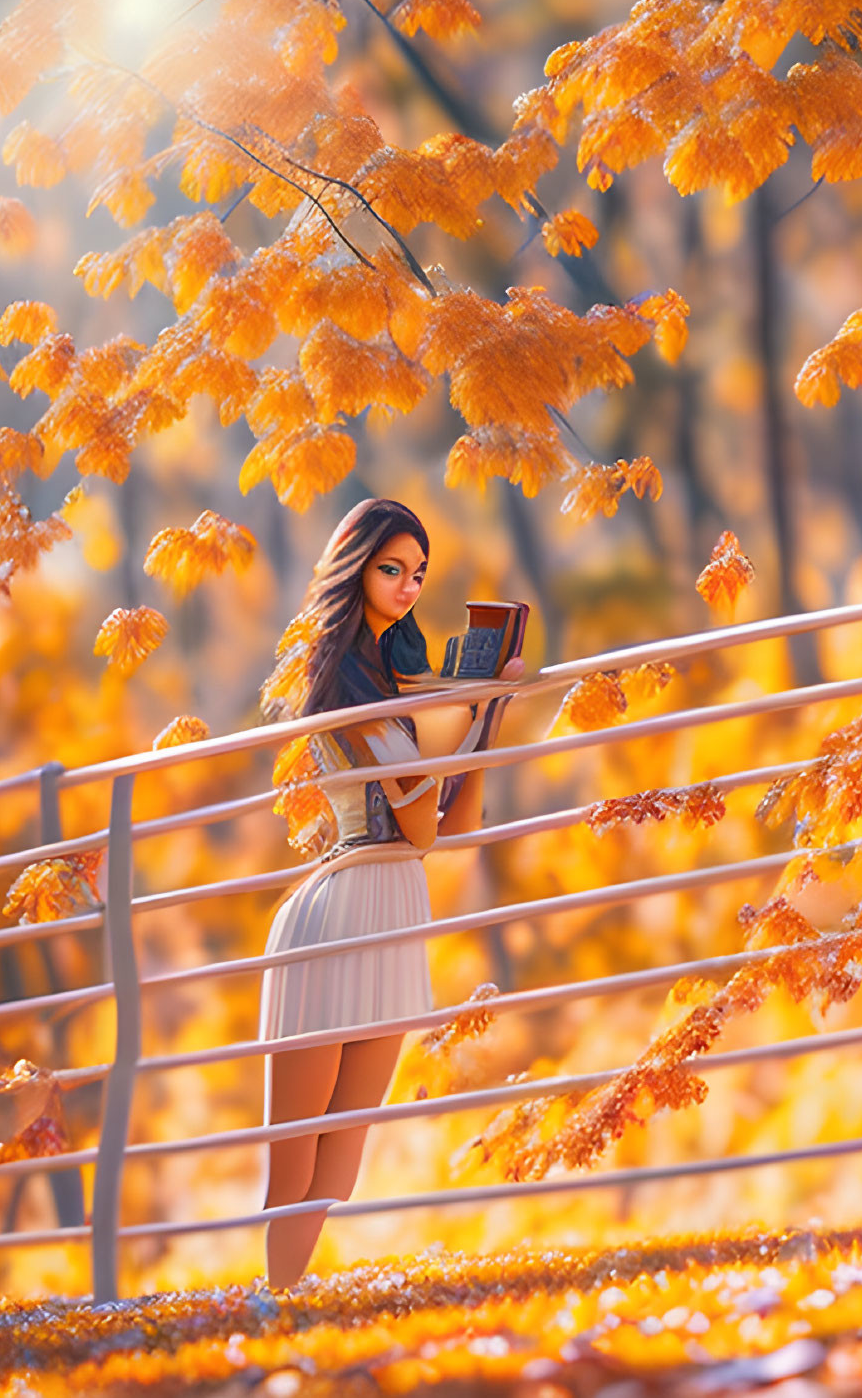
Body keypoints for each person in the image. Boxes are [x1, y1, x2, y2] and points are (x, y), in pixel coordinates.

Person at [254, 497, 522, 1287]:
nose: (408, 586)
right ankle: (273, 1309)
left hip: (394, 914)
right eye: (391, 568)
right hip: (337, 911)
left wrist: (489, 714)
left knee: (340, 1164)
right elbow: (416, 825)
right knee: (295, 1156)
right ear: (357, 568)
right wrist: (459, 710)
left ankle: (284, 1303)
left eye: (418, 573)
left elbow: (455, 821)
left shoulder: (393, 681)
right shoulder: (343, 685)